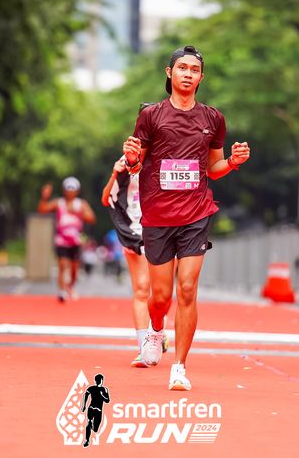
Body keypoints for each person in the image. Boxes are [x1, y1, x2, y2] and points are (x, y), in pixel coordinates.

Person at [122, 45, 250, 390]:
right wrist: (132, 158)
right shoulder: (151, 116)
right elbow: (136, 165)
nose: (188, 74)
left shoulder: (213, 119)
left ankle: (179, 366)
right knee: (161, 297)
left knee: (188, 288)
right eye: (182, 68)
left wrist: (233, 162)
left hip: (196, 213)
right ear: (170, 72)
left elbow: (213, 167)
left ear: (201, 77)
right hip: (158, 215)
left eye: (194, 70)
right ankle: (156, 330)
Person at [101, 149, 168, 368]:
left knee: (161, 293)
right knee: (141, 289)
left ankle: (157, 329)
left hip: (164, 230)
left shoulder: (168, 153)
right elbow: (106, 199)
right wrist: (115, 173)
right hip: (134, 232)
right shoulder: (126, 159)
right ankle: (143, 348)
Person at [37, 177, 96, 302]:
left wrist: (78, 213)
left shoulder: (81, 204)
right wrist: (44, 197)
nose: (70, 192)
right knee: (63, 266)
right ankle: (62, 291)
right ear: (64, 190)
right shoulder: (59, 203)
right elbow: (42, 210)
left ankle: (70, 286)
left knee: (74, 270)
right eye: (68, 189)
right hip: (62, 240)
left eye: (73, 189)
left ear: (77, 191)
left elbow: (92, 218)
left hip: (76, 241)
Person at [80, 373, 110, 448]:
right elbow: (107, 400)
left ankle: (89, 432)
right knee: (91, 424)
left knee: (94, 428)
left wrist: (84, 406)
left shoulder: (102, 389)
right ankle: (87, 439)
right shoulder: (96, 388)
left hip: (93, 409)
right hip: (95, 409)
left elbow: (107, 400)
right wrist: (84, 405)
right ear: (101, 380)